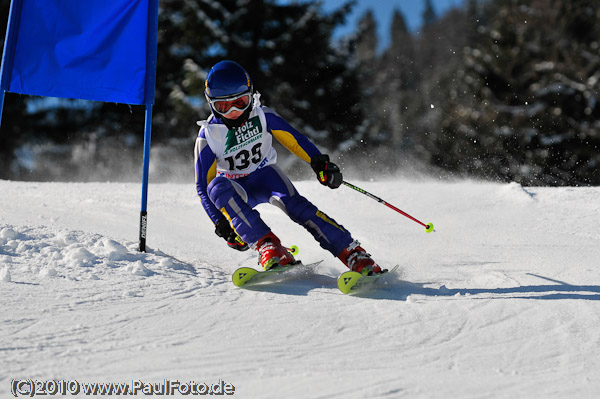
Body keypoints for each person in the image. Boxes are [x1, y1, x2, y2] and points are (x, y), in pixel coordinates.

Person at [194, 60, 383, 275]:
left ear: (251, 95)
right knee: (217, 187)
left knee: (299, 208)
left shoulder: (262, 116)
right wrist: (221, 223)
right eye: (224, 107)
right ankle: (268, 246)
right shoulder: (208, 136)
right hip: (236, 188)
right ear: (212, 104)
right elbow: (203, 186)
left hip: (266, 177)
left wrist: (319, 163)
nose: (234, 111)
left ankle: (353, 254)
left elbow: (295, 141)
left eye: (241, 102)